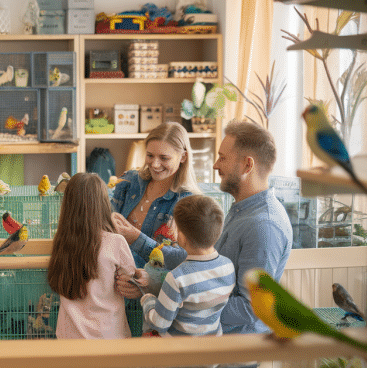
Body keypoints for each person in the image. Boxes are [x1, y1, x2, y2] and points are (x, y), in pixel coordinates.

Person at [209, 120, 292, 335]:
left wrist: (192, 306)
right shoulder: (242, 210)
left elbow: (250, 308)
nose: (215, 165)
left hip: (235, 351)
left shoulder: (263, 225)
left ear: (247, 165)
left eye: (223, 158)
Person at [47, 172, 141, 339]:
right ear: (103, 203)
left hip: (69, 337)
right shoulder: (116, 242)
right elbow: (130, 285)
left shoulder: (61, 242)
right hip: (109, 336)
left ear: (67, 205)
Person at [110, 121, 202, 270]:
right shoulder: (129, 181)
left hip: (156, 288)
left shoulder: (189, 203)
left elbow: (183, 260)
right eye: (150, 155)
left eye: (164, 158)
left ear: (183, 157)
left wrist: (135, 238)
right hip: (112, 278)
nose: (155, 164)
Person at [140, 195, 235, 337]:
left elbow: (160, 324)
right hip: (212, 351)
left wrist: (148, 300)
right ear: (219, 231)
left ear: (182, 237)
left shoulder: (178, 278)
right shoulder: (228, 266)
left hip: (181, 354)